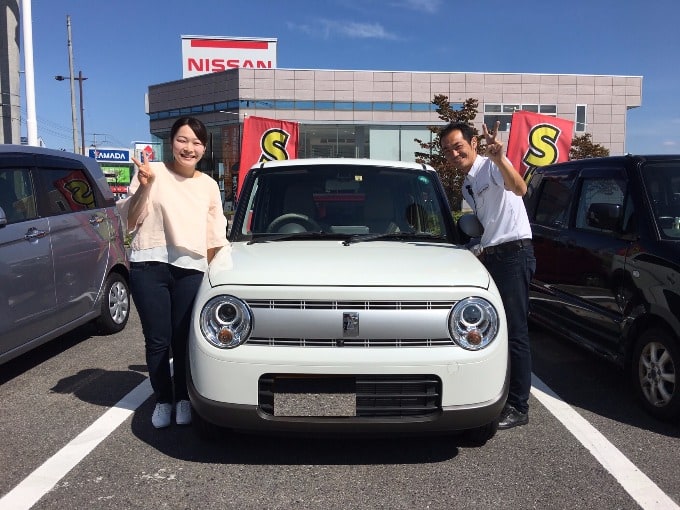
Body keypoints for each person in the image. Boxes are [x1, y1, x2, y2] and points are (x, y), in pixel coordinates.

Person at [119, 116, 229, 429]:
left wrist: (215, 275)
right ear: (171, 142)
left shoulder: (207, 185)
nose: (189, 148)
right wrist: (144, 187)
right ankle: (163, 399)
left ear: (204, 149)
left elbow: (214, 234)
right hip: (148, 266)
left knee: (183, 340)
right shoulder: (152, 174)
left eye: (196, 142)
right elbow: (131, 218)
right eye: (183, 140)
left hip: (191, 270)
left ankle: (183, 398)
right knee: (157, 340)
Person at [440, 121, 535, 430]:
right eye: (448, 150)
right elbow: (488, 222)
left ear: (474, 144)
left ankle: (519, 406)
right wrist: (477, 248)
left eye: (458, 146)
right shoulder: (469, 182)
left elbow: (519, 189)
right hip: (492, 255)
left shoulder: (492, 166)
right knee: (497, 330)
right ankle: (502, 394)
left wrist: (500, 158)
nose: (454, 153)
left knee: (516, 331)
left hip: (514, 254)